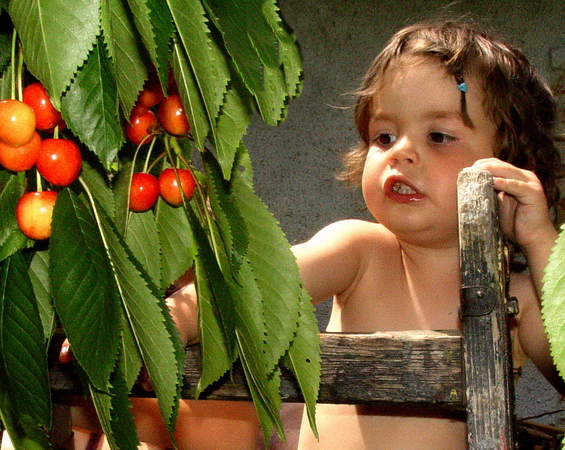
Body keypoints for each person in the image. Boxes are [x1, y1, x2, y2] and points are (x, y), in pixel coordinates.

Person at [72, 18, 565, 449]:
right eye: (384, 136)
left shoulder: (517, 297)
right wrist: (160, 323)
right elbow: (251, 291)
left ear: (510, 167)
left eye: (439, 136)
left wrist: (540, 239)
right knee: (194, 419)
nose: (402, 152)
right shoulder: (362, 251)